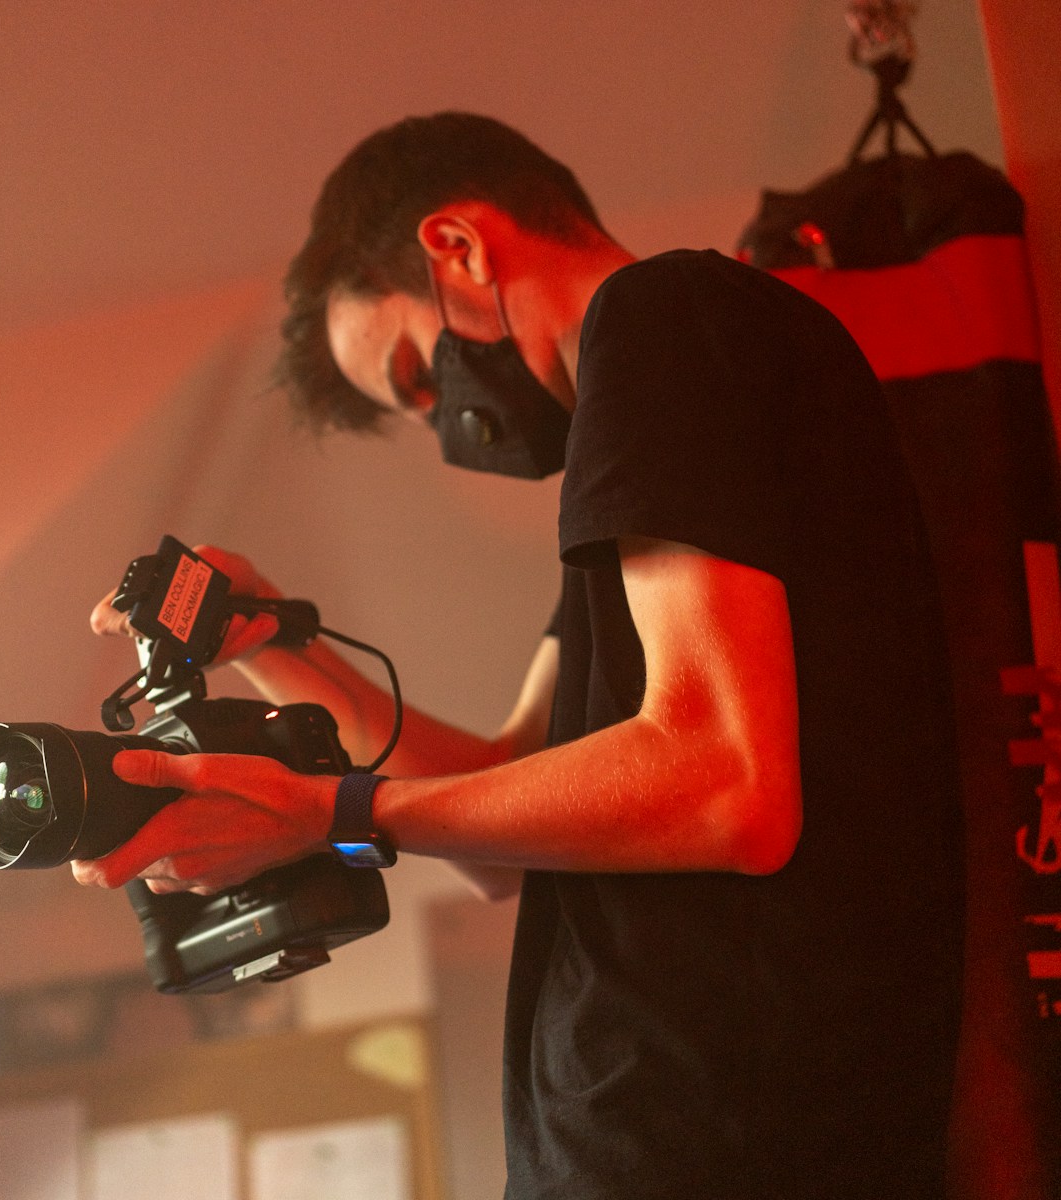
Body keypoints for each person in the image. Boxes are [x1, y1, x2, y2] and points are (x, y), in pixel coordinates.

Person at [74, 113, 965, 1198]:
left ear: (460, 246)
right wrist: (282, 652)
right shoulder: (654, 440)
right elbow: (503, 821)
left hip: (716, 1142)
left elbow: (728, 786)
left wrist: (328, 814)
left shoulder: (659, 317)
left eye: (413, 373)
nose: (442, 417)